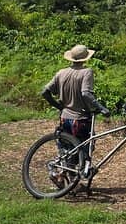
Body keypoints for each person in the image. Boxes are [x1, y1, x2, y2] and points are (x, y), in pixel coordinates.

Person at [42, 44, 110, 179]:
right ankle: (73, 179)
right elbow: (85, 93)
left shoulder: (61, 73)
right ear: (85, 59)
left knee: (68, 150)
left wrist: (59, 106)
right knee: (84, 150)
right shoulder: (86, 72)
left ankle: (69, 180)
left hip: (64, 118)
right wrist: (101, 108)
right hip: (81, 119)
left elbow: (45, 92)